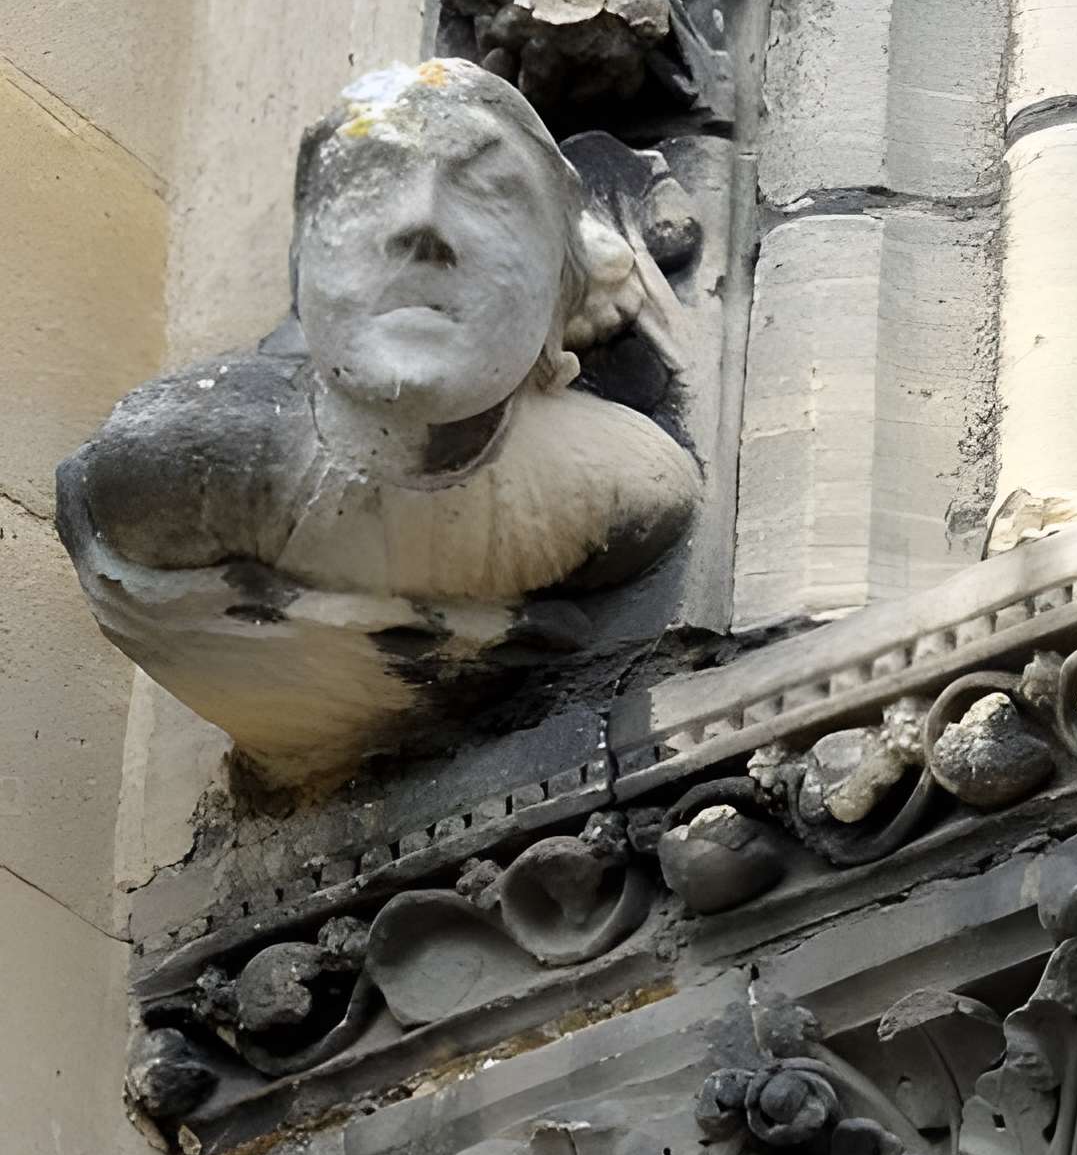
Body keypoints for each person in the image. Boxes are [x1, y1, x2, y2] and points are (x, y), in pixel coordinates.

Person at [57, 57, 699, 783]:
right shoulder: (184, 464)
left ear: (559, 298)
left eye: (491, 193)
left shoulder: (623, 493)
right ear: (304, 267)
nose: (423, 223)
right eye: (370, 183)